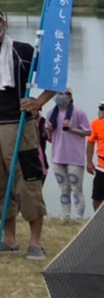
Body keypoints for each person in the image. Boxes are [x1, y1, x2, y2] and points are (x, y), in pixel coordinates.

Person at [0, 4, 54, 258]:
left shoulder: (23, 51)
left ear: (2, 23)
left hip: (19, 126)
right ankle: (9, 237)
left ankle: (36, 241)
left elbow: (54, 78)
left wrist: (39, 102)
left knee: (27, 181)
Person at [45, 91, 90, 223]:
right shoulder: (50, 114)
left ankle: (78, 218)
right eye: (57, 93)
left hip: (75, 158)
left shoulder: (79, 113)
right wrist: (48, 129)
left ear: (69, 97)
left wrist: (72, 128)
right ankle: (66, 217)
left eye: (63, 94)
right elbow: (50, 137)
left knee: (76, 189)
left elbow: (87, 132)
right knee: (64, 189)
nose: (59, 96)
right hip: (58, 157)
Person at [90, 100, 104, 214]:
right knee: (97, 196)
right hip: (101, 167)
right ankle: (98, 218)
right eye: (101, 108)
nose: (101, 111)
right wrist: (89, 161)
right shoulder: (95, 123)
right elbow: (90, 142)